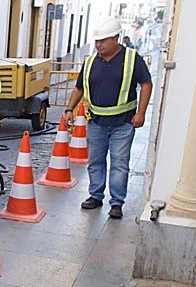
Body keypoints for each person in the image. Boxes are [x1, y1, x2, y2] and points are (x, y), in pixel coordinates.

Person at [64, 16, 152, 220]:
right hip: (96, 122)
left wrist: (141, 113)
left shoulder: (132, 58)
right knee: (95, 161)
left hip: (123, 123)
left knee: (120, 163)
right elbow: (79, 88)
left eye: (103, 41)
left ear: (115, 38)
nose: (98, 45)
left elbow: (146, 83)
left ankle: (117, 202)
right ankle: (95, 195)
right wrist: (69, 109)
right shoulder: (91, 61)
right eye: (96, 41)